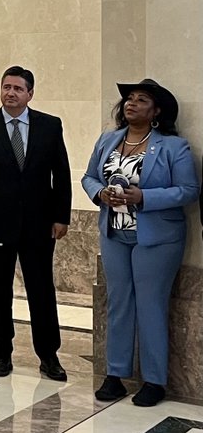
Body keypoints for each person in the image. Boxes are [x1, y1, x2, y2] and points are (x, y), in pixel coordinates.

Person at [82, 79, 198, 407]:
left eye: (141, 99)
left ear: (156, 111)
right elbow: (89, 176)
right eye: (129, 99)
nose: (131, 103)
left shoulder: (174, 147)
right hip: (115, 232)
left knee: (151, 305)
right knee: (119, 301)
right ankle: (115, 375)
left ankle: (154, 380)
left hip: (157, 239)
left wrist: (144, 196)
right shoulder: (108, 141)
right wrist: (99, 192)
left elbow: (188, 190)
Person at [0, 66, 72, 380]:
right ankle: (2, 353)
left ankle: (49, 355)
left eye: (18, 88)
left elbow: (61, 175)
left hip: (39, 226)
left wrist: (62, 216)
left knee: (42, 291)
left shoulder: (50, 126)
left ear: (30, 94)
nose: (11, 93)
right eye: (6, 87)